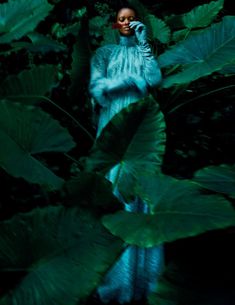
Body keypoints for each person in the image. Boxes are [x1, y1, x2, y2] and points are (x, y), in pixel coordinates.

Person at [89, 5, 164, 304]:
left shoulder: (143, 51)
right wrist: (127, 83)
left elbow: (155, 78)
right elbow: (97, 89)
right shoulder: (104, 54)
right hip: (113, 130)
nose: (127, 23)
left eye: (131, 19)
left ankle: (142, 279)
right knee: (115, 193)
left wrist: (144, 43)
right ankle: (115, 281)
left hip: (141, 130)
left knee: (141, 197)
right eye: (122, 19)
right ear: (114, 24)